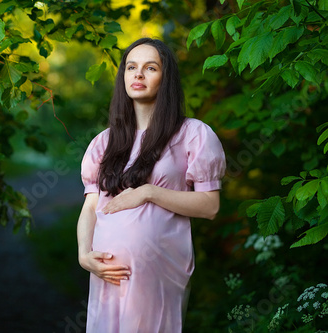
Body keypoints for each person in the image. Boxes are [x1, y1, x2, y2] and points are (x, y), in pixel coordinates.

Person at [77, 37, 226, 332]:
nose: (138, 74)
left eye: (150, 67)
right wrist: (84, 255)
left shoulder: (193, 133)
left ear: (165, 77)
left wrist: (148, 193)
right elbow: (91, 206)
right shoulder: (104, 142)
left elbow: (210, 206)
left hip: (159, 270)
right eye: (131, 67)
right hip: (107, 273)